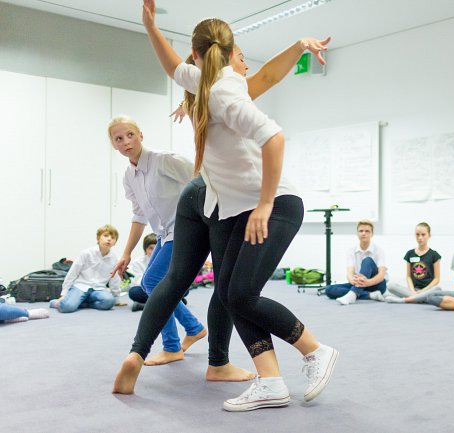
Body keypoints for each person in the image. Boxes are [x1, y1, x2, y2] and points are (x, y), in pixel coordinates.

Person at [114, 1, 338, 412]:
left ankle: (314, 349)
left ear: (197, 54)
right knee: (233, 295)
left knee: (240, 295)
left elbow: (274, 136)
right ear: (223, 53)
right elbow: (188, 68)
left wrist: (266, 204)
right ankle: (270, 382)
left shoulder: (222, 92)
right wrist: (149, 27)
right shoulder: (209, 86)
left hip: (273, 205)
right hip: (242, 208)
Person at [109, 115, 208, 366]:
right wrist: (126, 253)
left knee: (152, 282)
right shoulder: (129, 176)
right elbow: (139, 215)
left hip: (186, 231)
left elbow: (204, 181)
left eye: (130, 135)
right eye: (119, 139)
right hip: (165, 235)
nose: (126, 142)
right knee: (152, 284)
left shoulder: (165, 160)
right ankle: (193, 328)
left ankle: (172, 346)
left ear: (140, 135)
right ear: (114, 145)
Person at [50, 224, 122, 313]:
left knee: (109, 302)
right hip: (80, 287)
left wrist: (116, 297)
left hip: (98, 290)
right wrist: (64, 293)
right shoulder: (86, 253)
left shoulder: (115, 258)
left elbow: (114, 278)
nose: (109, 239)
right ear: (98, 238)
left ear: (115, 242)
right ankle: (57, 303)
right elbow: (73, 273)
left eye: (113, 237)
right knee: (67, 307)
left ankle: (81, 303)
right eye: (106, 236)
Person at [324, 220, 388, 305]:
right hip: (360, 283)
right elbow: (350, 272)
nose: (363, 233)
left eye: (367, 231)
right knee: (329, 290)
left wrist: (368, 282)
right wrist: (354, 281)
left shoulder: (378, 250)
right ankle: (370, 295)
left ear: (372, 234)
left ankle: (353, 294)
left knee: (367, 260)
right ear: (357, 233)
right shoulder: (351, 250)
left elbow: (381, 275)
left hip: (377, 284)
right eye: (361, 231)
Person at [384, 222, 442, 304]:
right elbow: (408, 276)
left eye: (423, 234)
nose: (420, 237)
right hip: (413, 290)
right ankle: (418, 298)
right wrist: (412, 290)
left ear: (429, 235)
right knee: (390, 286)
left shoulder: (434, 255)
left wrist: (423, 291)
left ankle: (405, 300)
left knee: (438, 289)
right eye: (417, 234)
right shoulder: (410, 254)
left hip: (427, 290)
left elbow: (436, 279)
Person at [127, 233, 157, 312]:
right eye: (151, 248)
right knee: (133, 292)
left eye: (156, 248)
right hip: (145, 289)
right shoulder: (138, 262)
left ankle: (143, 306)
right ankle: (171, 304)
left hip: (161, 289)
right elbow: (140, 281)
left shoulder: (166, 260)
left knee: (184, 290)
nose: (154, 251)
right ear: (145, 249)